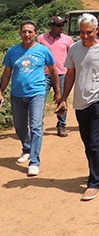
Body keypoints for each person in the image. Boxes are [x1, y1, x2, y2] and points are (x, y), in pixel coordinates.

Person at [56, 13, 99, 201]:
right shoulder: (75, 49)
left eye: (89, 32)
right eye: (82, 32)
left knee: (93, 141)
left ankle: (94, 182)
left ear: (96, 30)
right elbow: (70, 74)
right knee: (88, 143)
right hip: (80, 101)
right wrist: (63, 98)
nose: (85, 36)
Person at [0, 20, 61, 177]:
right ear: (20, 33)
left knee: (35, 126)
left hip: (37, 93)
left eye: (30, 32)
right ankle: (27, 149)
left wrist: (58, 92)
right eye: (24, 31)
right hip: (17, 94)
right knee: (20, 126)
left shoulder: (43, 50)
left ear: (35, 33)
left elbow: (54, 71)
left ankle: (34, 161)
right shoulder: (13, 51)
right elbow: (7, 73)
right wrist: (0, 91)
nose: (27, 34)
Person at [37, 16, 73, 137]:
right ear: (51, 26)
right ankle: (37, 126)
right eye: (58, 25)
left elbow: (71, 57)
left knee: (62, 100)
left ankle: (61, 124)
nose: (62, 27)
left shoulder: (67, 40)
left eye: (62, 25)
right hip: (44, 75)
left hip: (62, 74)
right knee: (40, 100)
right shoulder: (41, 39)